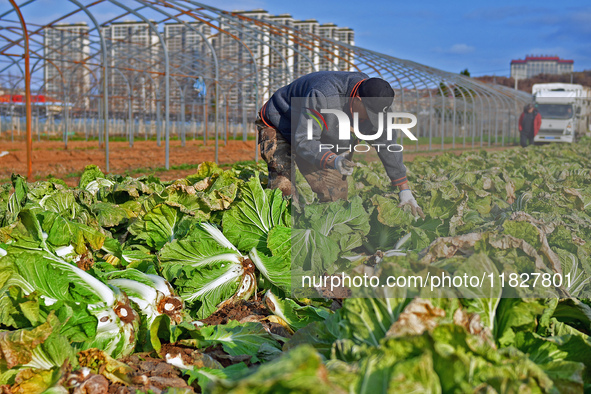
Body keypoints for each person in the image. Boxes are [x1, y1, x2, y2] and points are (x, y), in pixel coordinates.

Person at [256, 71, 424, 218]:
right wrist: (333, 160)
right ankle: (281, 235)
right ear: (357, 100)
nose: (370, 120)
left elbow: (387, 144)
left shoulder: (379, 104)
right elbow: (304, 140)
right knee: (284, 187)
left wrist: (405, 190)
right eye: (369, 115)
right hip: (280, 121)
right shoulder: (324, 95)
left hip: (314, 133)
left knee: (335, 197)